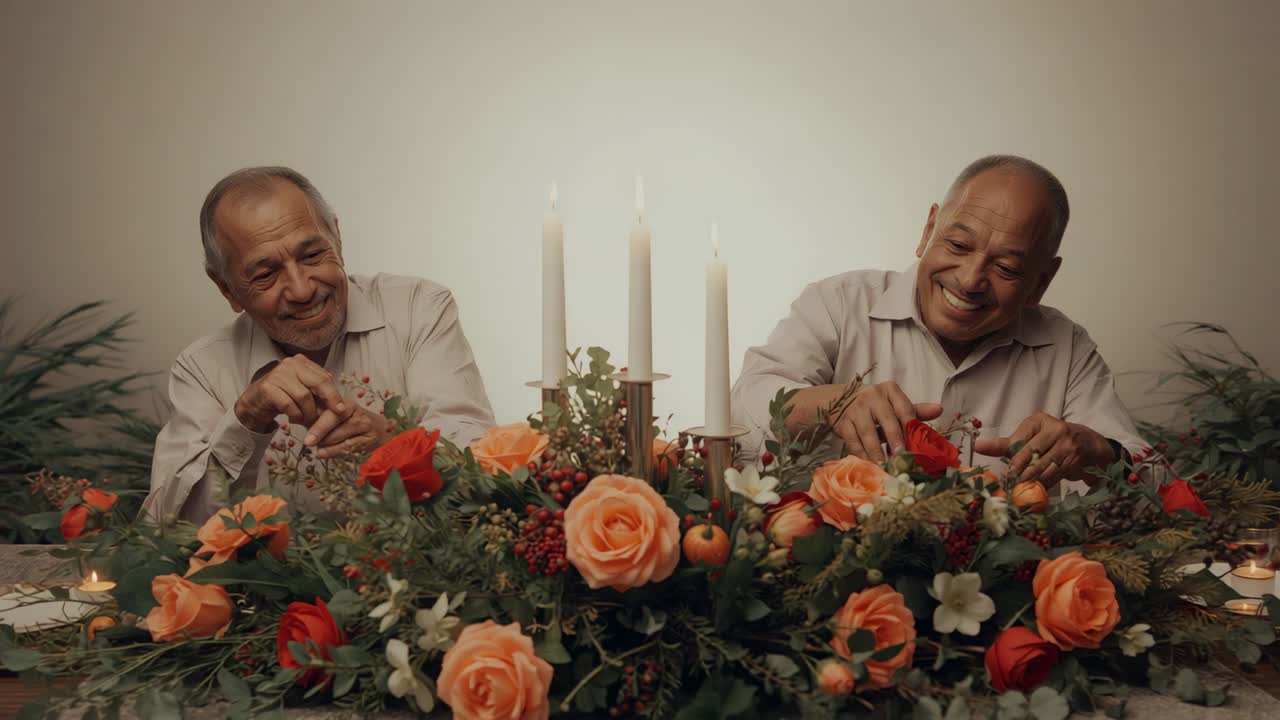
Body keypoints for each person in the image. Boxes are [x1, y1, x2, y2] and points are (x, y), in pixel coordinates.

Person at [731, 155, 1145, 486]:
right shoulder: (839, 303)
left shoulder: (1067, 348)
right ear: (929, 228)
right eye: (958, 244)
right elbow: (743, 407)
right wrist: (832, 404)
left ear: (1042, 280)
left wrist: (1098, 451)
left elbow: (1156, 483)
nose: (969, 281)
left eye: (1006, 268)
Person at [145, 166, 495, 522]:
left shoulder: (418, 309)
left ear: (337, 239)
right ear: (226, 288)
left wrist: (392, 440)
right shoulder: (202, 369)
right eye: (266, 274)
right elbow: (168, 530)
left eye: (312, 255)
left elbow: (483, 475)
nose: (302, 289)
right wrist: (246, 418)